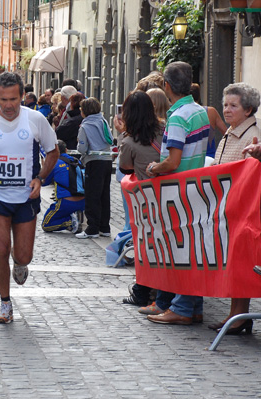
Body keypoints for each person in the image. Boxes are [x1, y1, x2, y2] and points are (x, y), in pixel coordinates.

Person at [0, 72, 59, 323]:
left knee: (23, 255)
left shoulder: (36, 119)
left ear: (21, 98)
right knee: (0, 248)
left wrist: (40, 178)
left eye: (14, 99)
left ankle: (20, 261)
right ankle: (5, 303)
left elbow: (53, 151)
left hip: (26, 197)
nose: (9, 105)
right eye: (4, 100)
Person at [144, 61, 210, 326]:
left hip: (178, 190)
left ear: (166, 86)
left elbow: (172, 160)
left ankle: (182, 307)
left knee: (182, 251)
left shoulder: (179, 116)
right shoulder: (200, 111)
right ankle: (193, 306)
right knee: (192, 248)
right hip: (196, 188)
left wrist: (154, 167)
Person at [206, 83, 261, 334]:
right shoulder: (231, 133)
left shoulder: (254, 137)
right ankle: (235, 313)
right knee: (233, 262)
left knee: (242, 262)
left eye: (233, 106)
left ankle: (240, 315)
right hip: (227, 211)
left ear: (248, 109)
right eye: (225, 105)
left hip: (244, 213)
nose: (227, 110)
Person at [114, 90, 164, 307]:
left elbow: (124, 167)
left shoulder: (130, 141)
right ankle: (151, 291)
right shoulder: (165, 129)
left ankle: (142, 291)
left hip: (147, 199)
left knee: (145, 246)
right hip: (170, 194)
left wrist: (122, 133)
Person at [76, 97, 114, 239]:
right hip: (107, 161)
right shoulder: (103, 121)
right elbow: (109, 139)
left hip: (94, 162)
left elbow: (82, 148)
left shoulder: (85, 126)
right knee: (105, 195)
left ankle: (92, 228)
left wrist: (80, 147)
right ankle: (105, 227)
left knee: (92, 196)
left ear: (85, 111)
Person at [41, 140, 85, 233]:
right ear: (66, 150)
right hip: (83, 200)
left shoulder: (54, 163)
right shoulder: (77, 161)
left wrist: (44, 167)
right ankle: (75, 214)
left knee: (46, 225)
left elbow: (44, 182)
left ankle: (70, 222)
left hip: (65, 202)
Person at [191, 83, 228, 158]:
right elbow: (226, 133)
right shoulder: (211, 111)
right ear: (199, 96)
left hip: (192, 161)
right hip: (210, 158)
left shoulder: (183, 114)